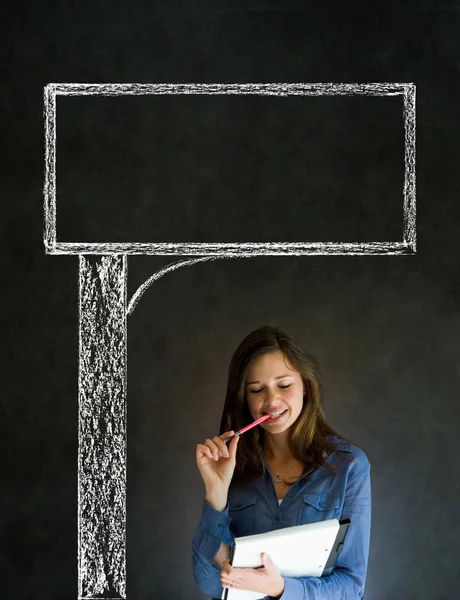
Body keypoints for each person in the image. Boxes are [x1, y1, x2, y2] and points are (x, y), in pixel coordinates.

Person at [192, 325, 371, 599]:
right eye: (256, 390)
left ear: (306, 387)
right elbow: (209, 584)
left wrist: (280, 589)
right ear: (244, 400)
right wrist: (216, 493)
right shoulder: (232, 466)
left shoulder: (350, 467)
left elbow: (351, 588)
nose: (272, 400)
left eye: (284, 385)